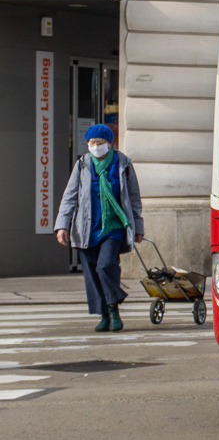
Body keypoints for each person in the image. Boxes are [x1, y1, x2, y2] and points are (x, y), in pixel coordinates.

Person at [55, 125, 144, 333]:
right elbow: (69, 197)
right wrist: (62, 225)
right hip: (86, 228)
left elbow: (133, 198)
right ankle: (105, 315)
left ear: (110, 144)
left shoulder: (123, 164)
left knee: (105, 265)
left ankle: (114, 309)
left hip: (113, 226)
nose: (95, 147)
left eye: (100, 143)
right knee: (92, 273)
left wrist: (138, 226)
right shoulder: (83, 164)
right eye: (91, 144)